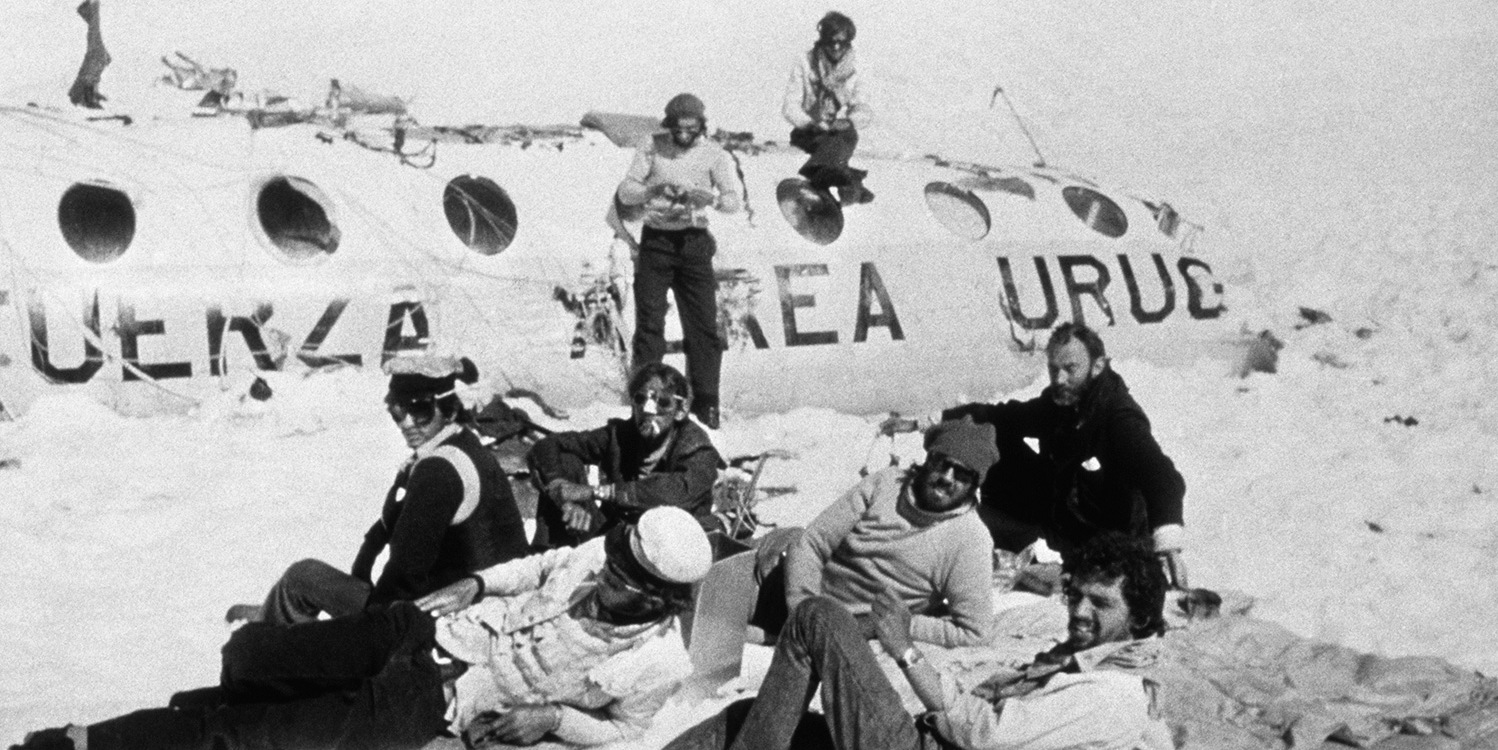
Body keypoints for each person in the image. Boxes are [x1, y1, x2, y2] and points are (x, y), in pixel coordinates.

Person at [15, 507, 713, 750]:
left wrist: (554, 717)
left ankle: (74, 746)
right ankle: (178, 725)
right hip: (416, 631)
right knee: (251, 658)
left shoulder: (659, 664)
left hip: (435, 700)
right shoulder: (603, 556)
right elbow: (545, 563)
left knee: (245, 736)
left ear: (657, 599)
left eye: (622, 583)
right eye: (611, 564)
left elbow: (626, 733)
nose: (603, 580)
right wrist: (477, 581)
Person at [663, 532, 1174, 750]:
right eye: (1077, 596)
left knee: (817, 619)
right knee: (748, 717)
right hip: (926, 738)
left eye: (1101, 605)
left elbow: (986, 735)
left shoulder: (1112, 694)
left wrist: (905, 651)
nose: (1080, 613)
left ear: (1141, 616)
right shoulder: (1081, 665)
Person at [226, 354, 529, 625]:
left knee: (302, 576)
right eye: (397, 411)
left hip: (445, 616)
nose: (406, 423)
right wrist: (366, 558)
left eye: (421, 410)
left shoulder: (438, 470)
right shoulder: (463, 444)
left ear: (448, 408)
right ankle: (276, 614)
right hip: (488, 600)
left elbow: (404, 574)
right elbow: (396, 520)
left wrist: (367, 631)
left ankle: (273, 626)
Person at [882, 322, 1189, 588]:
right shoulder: (1062, 402)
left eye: (1070, 369)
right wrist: (925, 421)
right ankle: (1004, 536)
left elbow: (1163, 476)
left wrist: (1167, 547)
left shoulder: (1119, 417)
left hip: (1106, 537)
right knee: (996, 432)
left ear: (1098, 367)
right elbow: (1003, 416)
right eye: (1054, 368)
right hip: (1063, 513)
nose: (1059, 379)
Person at [757, 419, 999, 648]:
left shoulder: (970, 539)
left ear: (974, 485)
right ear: (927, 459)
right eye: (941, 463)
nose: (947, 477)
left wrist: (892, 624)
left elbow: (975, 632)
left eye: (962, 474)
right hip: (794, 599)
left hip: (850, 633)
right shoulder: (885, 485)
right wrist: (802, 612)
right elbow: (812, 543)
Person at [617, 92, 743, 430]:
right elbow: (626, 191)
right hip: (656, 242)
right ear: (669, 125)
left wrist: (712, 199)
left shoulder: (713, 153)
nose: (685, 134)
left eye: (692, 128)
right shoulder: (651, 146)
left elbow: (734, 201)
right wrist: (649, 192)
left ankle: (707, 403)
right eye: (679, 128)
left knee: (703, 327)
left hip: (693, 243)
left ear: (701, 126)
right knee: (649, 327)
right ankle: (644, 401)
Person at [527, 362, 722, 549]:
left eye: (663, 403)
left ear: (680, 411)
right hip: (620, 537)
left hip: (669, 546)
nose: (648, 410)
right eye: (640, 399)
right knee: (565, 460)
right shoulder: (621, 435)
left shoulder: (696, 448)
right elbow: (548, 445)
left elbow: (677, 492)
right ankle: (547, 556)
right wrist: (561, 493)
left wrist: (596, 491)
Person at [782, 11, 874, 206]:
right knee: (834, 145)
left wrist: (848, 121)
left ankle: (825, 179)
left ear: (849, 42)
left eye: (842, 42)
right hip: (809, 131)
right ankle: (847, 182)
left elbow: (863, 108)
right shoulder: (806, 62)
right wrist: (811, 124)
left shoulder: (857, 68)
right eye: (831, 41)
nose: (836, 46)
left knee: (846, 136)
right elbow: (790, 106)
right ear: (823, 41)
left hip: (840, 132)